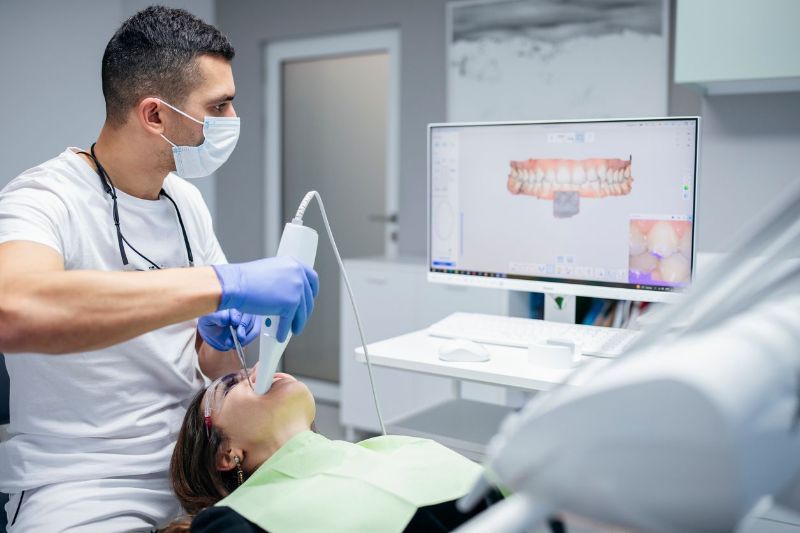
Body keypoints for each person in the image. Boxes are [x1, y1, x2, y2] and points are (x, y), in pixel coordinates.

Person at [0, 7, 318, 531]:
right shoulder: (41, 199)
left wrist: (219, 336)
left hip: (199, 467)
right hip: (83, 484)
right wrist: (224, 284)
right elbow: (14, 309)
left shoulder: (184, 200)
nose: (231, 119)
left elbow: (208, 364)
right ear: (155, 115)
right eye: (218, 106)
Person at [167, 367, 507, 532]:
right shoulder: (233, 523)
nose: (257, 370)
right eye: (232, 384)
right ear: (226, 454)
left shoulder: (394, 448)